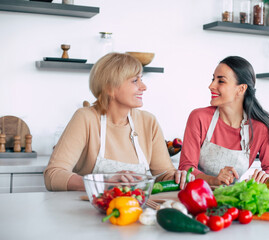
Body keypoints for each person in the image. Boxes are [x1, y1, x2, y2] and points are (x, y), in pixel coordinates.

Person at [44, 53, 193, 191]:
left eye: (142, 79)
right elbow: (53, 175)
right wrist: (102, 183)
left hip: (133, 209)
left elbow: (163, 174)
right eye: (135, 81)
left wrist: (177, 177)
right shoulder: (86, 118)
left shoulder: (148, 122)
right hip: (91, 209)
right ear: (110, 88)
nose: (144, 87)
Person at [179, 56, 269, 186]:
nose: (211, 86)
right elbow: (185, 168)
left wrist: (266, 176)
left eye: (220, 81)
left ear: (241, 89)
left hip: (234, 198)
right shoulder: (199, 117)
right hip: (197, 195)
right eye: (213, 79)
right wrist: (213, 180)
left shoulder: (261, 128)